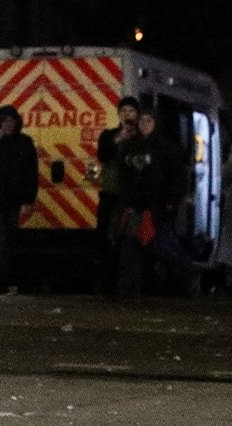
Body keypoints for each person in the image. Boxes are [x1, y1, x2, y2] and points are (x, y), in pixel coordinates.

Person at [111, 108, 185, 299]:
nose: (145, 124)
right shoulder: (131, 146)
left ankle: (161, 288)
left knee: (157, 249)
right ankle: (129, 289)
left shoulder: (166, 148)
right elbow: (123, 175)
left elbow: (176, 177)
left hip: (157, 206)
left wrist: (172, 200)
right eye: (142, 120)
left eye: (149, 121)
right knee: (130, 246)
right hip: (135, 205)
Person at [0, 104, 38, 294]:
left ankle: (8, 281)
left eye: (12, 121)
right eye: (5, 121)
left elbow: (31, 172)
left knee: (10, 241)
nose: (9, 125)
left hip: (14, 200)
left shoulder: (24, 142)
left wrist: (29, 198)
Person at [94, 96, 140, 294]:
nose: (127, 115)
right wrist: (119, 138)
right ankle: (105, 284)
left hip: (130, 195)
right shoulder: (109, 135)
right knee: (105, 238)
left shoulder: (140, 138)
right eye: (124, 111)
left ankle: (127, 285)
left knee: (128, 241)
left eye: (131, 111)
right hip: (110, 193)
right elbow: (102, 154)